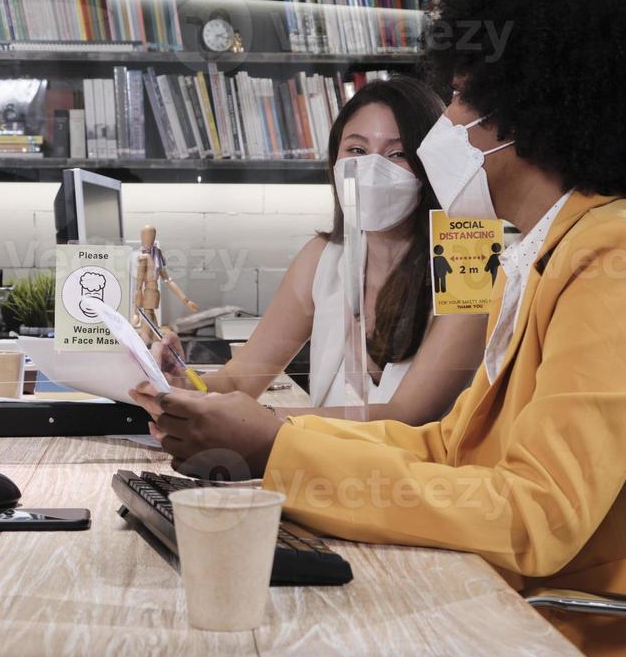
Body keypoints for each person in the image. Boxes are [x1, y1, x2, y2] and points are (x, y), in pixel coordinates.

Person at [133, 0, 626, 657]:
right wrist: (271, 442)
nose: (451, 122)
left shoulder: (625, 254)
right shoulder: (550, 250)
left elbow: (538, 514)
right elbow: (450, 444)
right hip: (557, 615)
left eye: (465, 100)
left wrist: (276, 449)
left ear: (534, 112)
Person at [156, 76, 487, 424]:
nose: (371, 168)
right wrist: (182, 385)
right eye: (357, 150)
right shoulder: (322, 258)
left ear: (430, 163)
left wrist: (257, 422)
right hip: (324, 470)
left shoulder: (469, 262)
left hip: (419, 476)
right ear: (335, 159)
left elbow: (407, 416)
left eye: (398, 153)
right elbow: (239, 380)